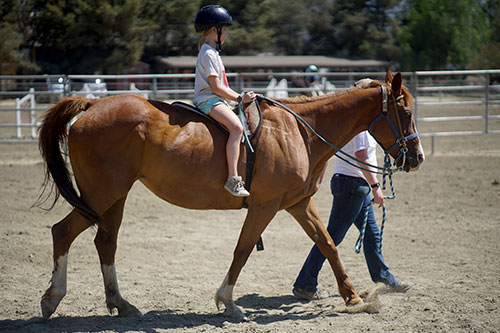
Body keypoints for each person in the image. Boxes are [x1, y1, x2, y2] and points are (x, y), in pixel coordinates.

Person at [293, 130, 412, 301]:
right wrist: (375, 186)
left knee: (372, 234)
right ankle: (304, 284)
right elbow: (361, 156)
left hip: (355, 185)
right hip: (353, 185)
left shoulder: (359, 128)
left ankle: (384, 279)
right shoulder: (361, 130)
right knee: (332, 237)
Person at [193, 5, 257, 197]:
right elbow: (216, 88)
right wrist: (240, 98)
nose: (227, 34)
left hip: (215, 98)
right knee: (237, 128)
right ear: (215, 29)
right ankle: (233, 179)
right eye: (225, 29)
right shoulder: (209, 53)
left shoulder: (212, 52)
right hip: (209, 99)